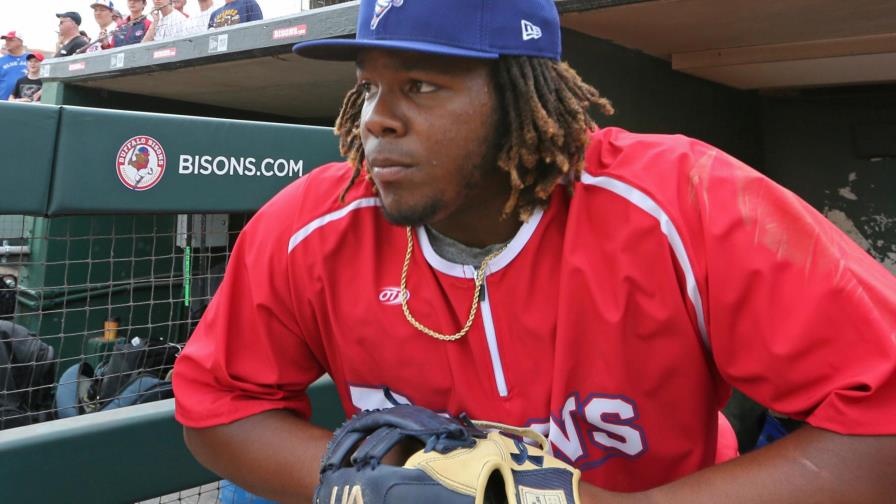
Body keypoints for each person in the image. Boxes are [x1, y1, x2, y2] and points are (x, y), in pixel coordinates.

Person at [172, 1, 896, 502]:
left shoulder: (685, 199)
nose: (378, 121)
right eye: (368, 88)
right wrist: (380, 486)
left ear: (522, 91)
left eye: (420, 85)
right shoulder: (313, 223)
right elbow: (217, 406)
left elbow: (882, 418)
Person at [0, 31, 28, 102]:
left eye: (11, 40)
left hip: (26, 104)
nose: (7, 42)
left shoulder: (31, 59)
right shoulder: (1, 61)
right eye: (6, 40)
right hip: (3, 103)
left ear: (20, 42)